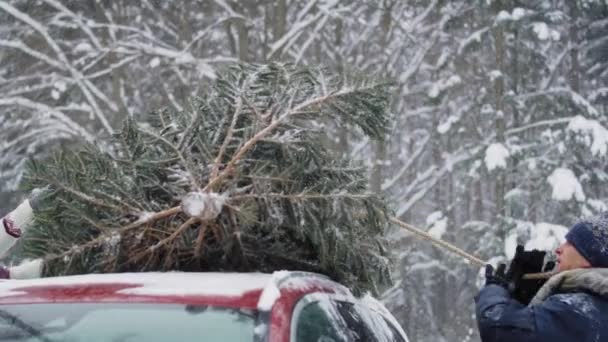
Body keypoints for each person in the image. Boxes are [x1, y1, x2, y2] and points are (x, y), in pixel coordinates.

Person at [476, 213, 608, 342]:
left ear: (591, 255)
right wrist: (525, 305)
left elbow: (498, 330)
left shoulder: (580, 310)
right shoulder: (596, 307)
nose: (559, 249)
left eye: (570, 243)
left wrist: (495, 291)